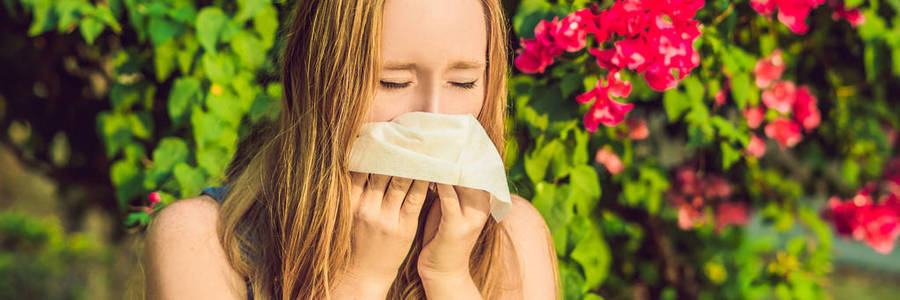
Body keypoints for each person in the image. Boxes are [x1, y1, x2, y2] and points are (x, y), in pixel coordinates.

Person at [143, 0, 560, 299]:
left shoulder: (515, 239)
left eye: (464, 82)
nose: (435, 116)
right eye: (393, 82)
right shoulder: (201, 241)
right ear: (317, 81)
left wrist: (448, 278)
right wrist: (361, 281)